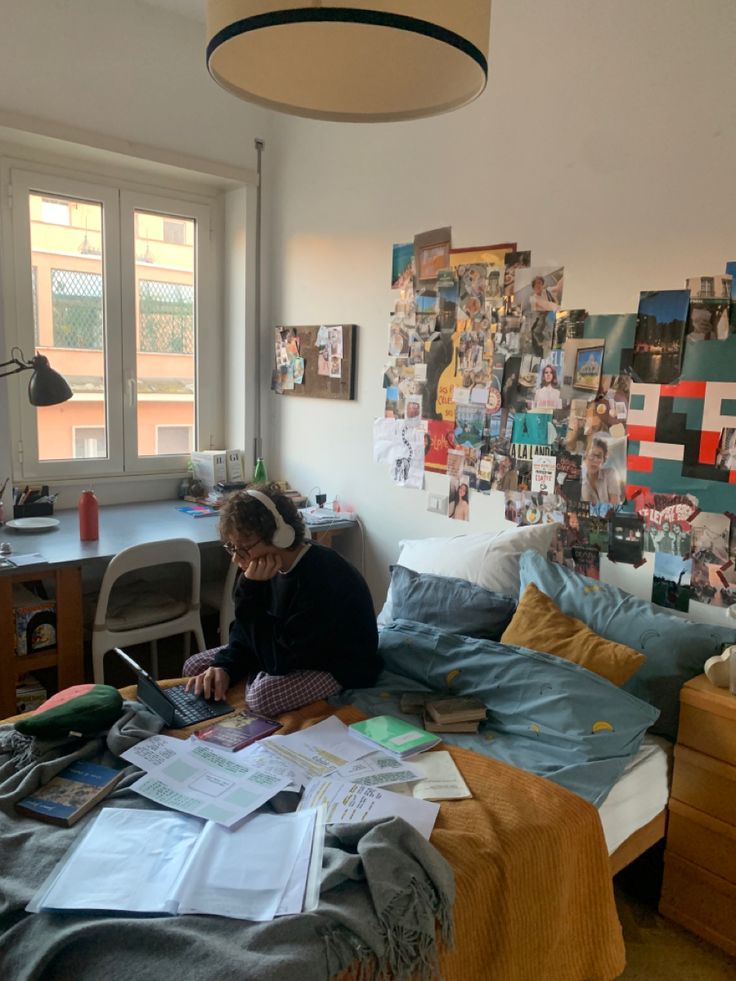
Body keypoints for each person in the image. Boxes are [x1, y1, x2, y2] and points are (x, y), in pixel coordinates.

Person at [184, 484, 382, 715]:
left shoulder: (323, 580)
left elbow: (279, 662)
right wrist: (224, 666)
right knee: (195, 667)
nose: (236, 559)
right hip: (280, 647)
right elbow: (247, 631)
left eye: (243, 549)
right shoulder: (265, 569)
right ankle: (240, 678)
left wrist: (250, 592)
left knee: (262, 697)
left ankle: (249, 687)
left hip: (335, 664)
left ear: (280, 536)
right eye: (232, 548)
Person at [581, 438, 621, 505]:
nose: (595, 460)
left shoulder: (610, 473)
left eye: (599, 456)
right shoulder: (583, 485)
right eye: (591, 455)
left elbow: (614, 504)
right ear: (585, 458)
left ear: (603, 461)